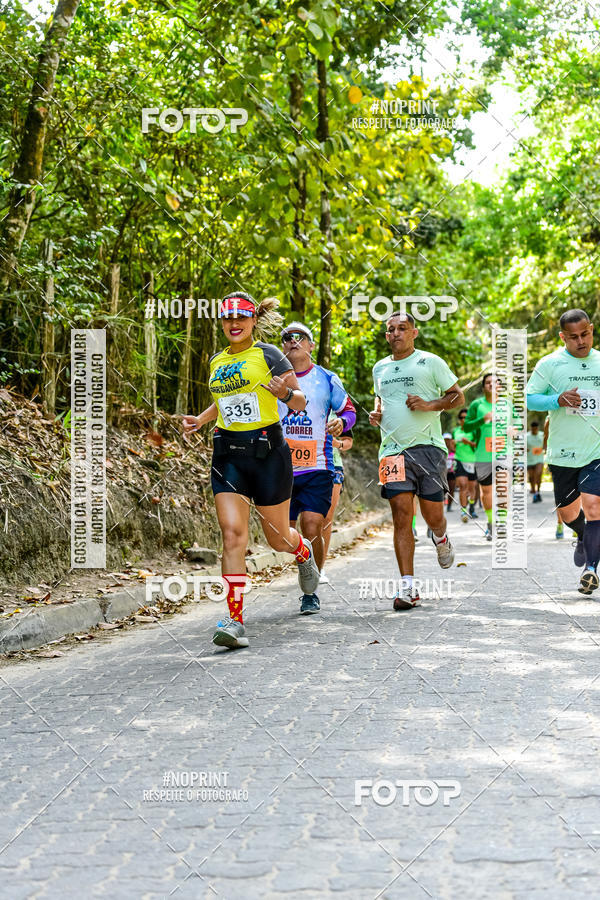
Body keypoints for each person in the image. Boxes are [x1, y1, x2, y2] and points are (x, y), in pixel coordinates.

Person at [182, 292, 319, 649]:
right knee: (232, 536)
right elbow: (225, 400)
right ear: (221, 322)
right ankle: (234, 620)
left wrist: (284, 394)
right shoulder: (216, 360)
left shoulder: (269, 354)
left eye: (241, 318)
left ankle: (302, 551)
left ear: (253, 320)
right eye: (228, 318)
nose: (234, 324)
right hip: (227, 454)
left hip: (268, 453)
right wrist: (201, 419)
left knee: (278, 540)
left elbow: (300, 400)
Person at [369, 311, 464, 610]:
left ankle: (440, 537)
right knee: (401, 515)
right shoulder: (380, 368)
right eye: (391, 329)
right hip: (392, 451)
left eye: (402, 328)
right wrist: (377, 412)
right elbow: (380, 398)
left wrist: (429, 405)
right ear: (387, 335)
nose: (396, 333)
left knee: (433, 515)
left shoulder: (430, 362)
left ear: (414, 333)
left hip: (429, 448)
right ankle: (408, 587)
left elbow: (457, 396)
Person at [278, 322, 356, 614]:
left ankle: (310, 592)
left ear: (311, 345)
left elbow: (349, 411)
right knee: (282, 535)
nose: (293, 341)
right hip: (280, 468)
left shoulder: (326, 377)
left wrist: (342, 422)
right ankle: (304, 560)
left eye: (300, 337)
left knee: (313, 525)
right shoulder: (272, 376)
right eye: (287, 337)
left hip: (318, 466)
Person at [527, 308, 600, 594]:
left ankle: (591, 569)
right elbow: (528, 398)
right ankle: (582, 535)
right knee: (569, 513)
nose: (581, 341)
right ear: (562, 337)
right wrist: (556, 400)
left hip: (596, 451)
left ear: (591, 329)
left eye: (585, 334)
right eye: (573, 337)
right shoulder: (550, 364)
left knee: (593, 506)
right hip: (563, 453)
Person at [463, 373, 499, 541]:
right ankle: (491, 523)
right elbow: (466, 427)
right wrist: (482, 419)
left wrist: (513, 430)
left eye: (495, 382)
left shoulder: (507, 405)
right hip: (483, 455)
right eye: (488, 382)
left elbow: (518, 425)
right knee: (487, 491)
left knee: (503, 489)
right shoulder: (477, 405)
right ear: (484, 386)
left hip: (504, 453)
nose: (492, 384)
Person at [320, 423, 353, 582]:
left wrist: (337, 443)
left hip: (332, 465)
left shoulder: (338, 412)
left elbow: (348, 442)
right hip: (301, 466)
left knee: (326, 518)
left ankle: (319, 567)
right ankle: (304, 560)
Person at [452, 408, 478, 523]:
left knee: (472, 488)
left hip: (472, 461)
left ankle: (471, 507)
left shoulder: (474, 431)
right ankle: (463, 511)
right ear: (459, 420)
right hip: (459, 460)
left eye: (466, 418)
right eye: (462, 418)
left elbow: (479, 445)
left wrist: (469, 443)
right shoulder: (455, 431)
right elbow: (451, 446)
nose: (464, 419)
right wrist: (452, 444)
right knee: (463, 485)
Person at [543, 418, 564, 539]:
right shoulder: (551, 418)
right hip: (558, 459)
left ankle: (578, 524)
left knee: (582, 492)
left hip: (581, 457)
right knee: (560, 493)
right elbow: (546, 438)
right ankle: (560, 523)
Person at [526, 420, 545, 502]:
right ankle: (534, 492)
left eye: (536, 429)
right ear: (531, 428)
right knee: (531, 477)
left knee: (538, 474)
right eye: (533, 429)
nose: (534, 431)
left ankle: (538, 491)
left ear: (537, 428)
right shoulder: (526, 436)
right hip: (529, 459)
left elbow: (546, 443)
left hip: (539, 459)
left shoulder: (542, 435)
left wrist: (545, 448)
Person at [443, 432, 457, 512]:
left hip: (452, 473)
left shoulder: (454, 450)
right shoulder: (441, 449)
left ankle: (449, 506)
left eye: (448, 439)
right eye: (445, 439)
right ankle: (441, 503)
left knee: (451, 490)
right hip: (442, 473)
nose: (447, 441)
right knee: (442, 490)